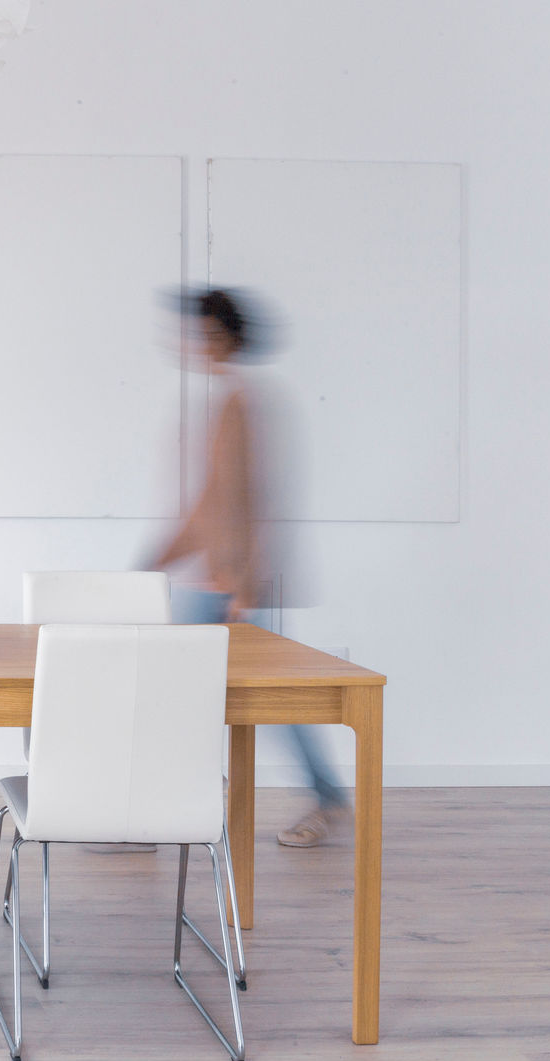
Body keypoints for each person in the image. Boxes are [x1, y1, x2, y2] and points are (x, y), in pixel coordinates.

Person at [146, 288, 350, 848]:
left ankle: (326, 799)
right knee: (195, 692)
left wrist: (242, 583)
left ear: (222, 336)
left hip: (228, 585)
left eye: (198, 332)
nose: (188, 342)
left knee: (268, 699)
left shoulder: (242, 402)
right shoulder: (225, 400)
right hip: (209, 580)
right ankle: (154, 808)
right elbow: (209, 500)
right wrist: (156, 560)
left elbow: (247, 497)